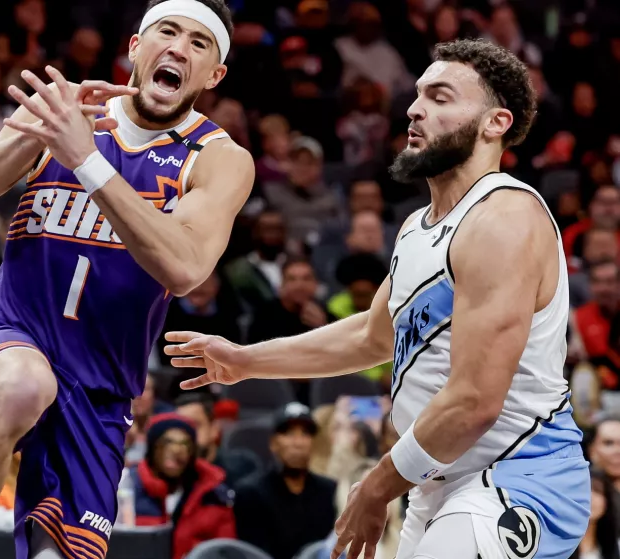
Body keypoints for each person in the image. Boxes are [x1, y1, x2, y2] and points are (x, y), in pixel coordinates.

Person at [166, 39, 591, 558]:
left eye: (440, 97)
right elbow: (372, 336)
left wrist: (375, 487)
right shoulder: (416, 228)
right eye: (418, 94)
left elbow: (475, 402)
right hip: (439, 484)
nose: (414, 109)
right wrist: (245, 361)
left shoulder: (504, 218)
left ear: (495, 123)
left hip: (520, 475)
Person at [0, 0, 254, 557]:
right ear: (136, 47)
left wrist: (87, 161)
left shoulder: (218, 157)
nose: (178, 48)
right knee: (27, 388)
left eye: (198, 43)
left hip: (100, 388)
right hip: (11, 335)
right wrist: (35, 135)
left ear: (214, 75)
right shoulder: (66, 114)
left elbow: (186, 267)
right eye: (167, 32)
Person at [233, 403, 336, 559]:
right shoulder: (250, 493)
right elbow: (252, 553)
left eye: (305, 434)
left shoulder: (329, 491)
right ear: (273, 443)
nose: (298, 443)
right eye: (289, 433)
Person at [129, 413, 236, 559]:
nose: (176, 450)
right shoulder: (126, 487)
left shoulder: (213, 495)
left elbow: (225, 552)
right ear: (152, 448)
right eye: (167, 442)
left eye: (185, 443)